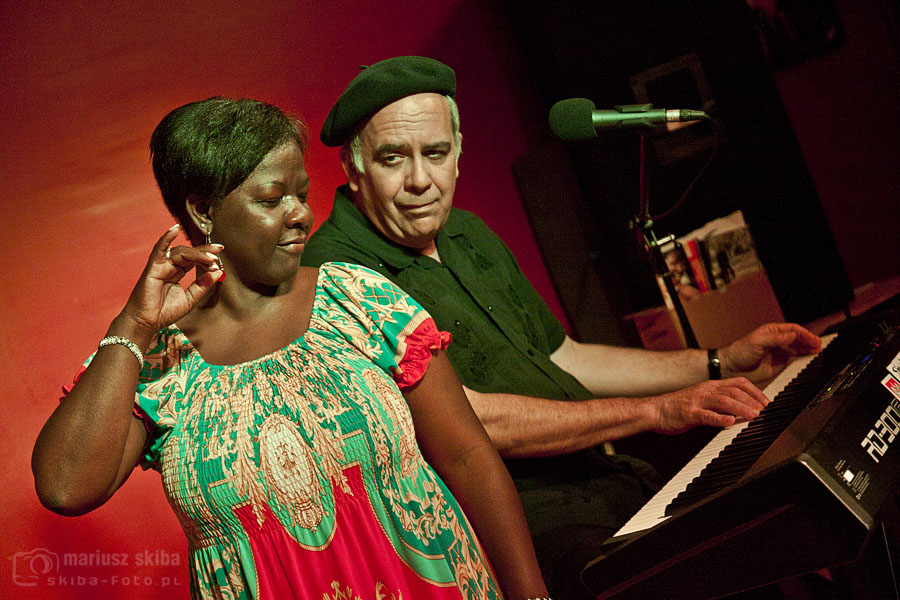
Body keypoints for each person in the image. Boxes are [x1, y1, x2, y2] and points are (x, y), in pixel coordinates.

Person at [299, 56, 823, 598]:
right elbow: (471, 422)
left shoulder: (466, 232)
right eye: (392, 158)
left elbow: (566, 357)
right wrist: (654, 411)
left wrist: (718, 360)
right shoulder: (335, 274)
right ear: (354, 169)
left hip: (606, 481)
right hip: (526, 530)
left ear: (458, 153)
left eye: (435, 153)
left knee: (770, 543)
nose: (420, 180)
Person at [32, 97, 550, 600]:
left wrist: (531, 595)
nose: (300, 213)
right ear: (204, 211)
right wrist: (135, 324)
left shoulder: (357, 298)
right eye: (271, 198)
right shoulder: (161, 361)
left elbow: (467, 457)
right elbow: (65, 487)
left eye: (301, 193)